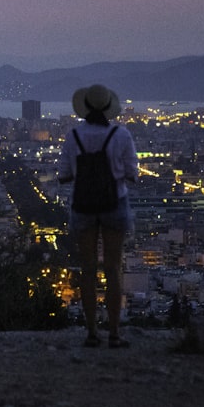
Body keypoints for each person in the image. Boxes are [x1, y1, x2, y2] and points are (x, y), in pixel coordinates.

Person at [58, 84, 138, 349]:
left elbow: (64, 174)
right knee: (113, 268)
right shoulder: (121, 134)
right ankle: (114, 333)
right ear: (108, 108)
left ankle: (92, 332)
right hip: (115, 202)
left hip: (83, 204)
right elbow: (132, 173)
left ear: (85, 107)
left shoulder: (73, 136)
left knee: (88, 269)